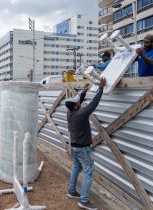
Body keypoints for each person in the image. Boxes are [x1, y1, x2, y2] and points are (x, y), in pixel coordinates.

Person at [66, 78, 107, 210]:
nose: (80, 103)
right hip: (83, 149)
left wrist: (84, 92)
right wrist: (100, 88)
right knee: (88, 173)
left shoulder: (70, 113)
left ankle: (71, 191)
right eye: (78, 103)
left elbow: (79, 102)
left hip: (74, 147)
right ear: (76, 106)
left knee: (76, 168)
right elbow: (94, 104)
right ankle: (84, 201)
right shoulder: (82, 113)